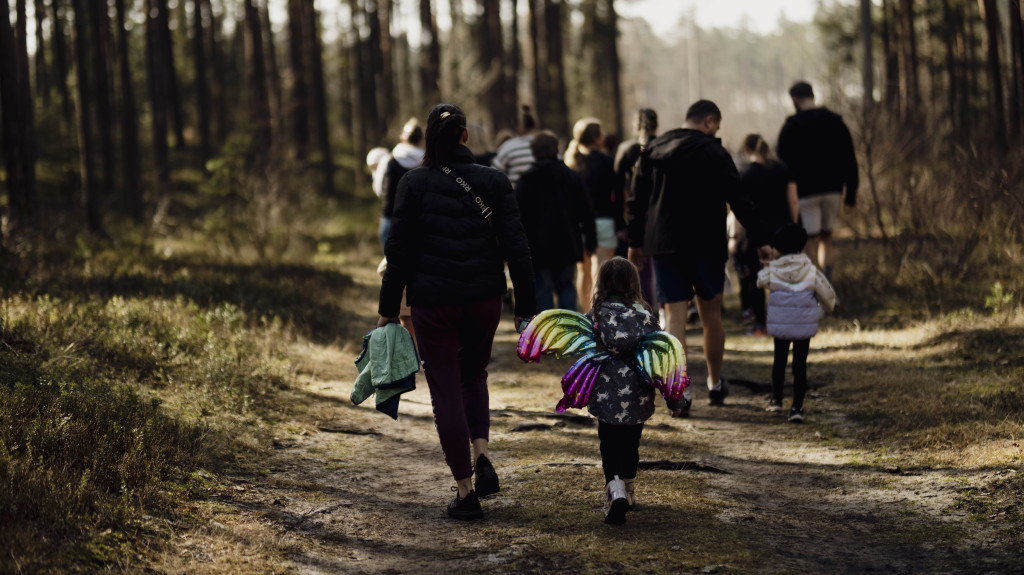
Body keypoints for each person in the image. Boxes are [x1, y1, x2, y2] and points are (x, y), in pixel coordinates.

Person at [378, 103, 537, 520]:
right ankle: (481, 454)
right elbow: (518, 248)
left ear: (430, 139)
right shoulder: (494, 181)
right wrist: (527, 309)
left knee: (445, 390)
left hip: (432, 303)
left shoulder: (412, 184)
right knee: (474, 375)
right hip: (484, 299)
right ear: (466, 136)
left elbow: (398, 253)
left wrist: (388, 310)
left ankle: (465, 493)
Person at [627, 100, 770, 416]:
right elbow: (740, 199)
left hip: (664, 245)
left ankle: (680, 391)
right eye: (716, 126)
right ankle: (716, 383)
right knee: (711, 316)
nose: (716, 132)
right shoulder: (715, 153)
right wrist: (761, 240)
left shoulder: (652, 150)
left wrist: (635, 242)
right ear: (709, 121)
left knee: (675, 318)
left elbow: (635, 200)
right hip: (706, 244)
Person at [776, 81, 859, 281]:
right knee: (827, 238)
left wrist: (785, 198)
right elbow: (849, 157)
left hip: (806, 193)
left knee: (810, 241)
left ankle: (817, 291)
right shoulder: (835, 121)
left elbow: (782, 166)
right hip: (833, 191)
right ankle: (828, 283)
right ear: (812, 96)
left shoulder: (790, 127)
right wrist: (851, 195)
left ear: (794, 99)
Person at [756, 223, 837, 422]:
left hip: (781, 326)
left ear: (779, 249)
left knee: (779, 362)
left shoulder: (773, 271)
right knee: (800, 366)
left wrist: (766, 263)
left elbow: (759, 281)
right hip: (803, 326)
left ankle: (776, 401)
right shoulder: (811, 270)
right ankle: (797, 408)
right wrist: (828, 309)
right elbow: (827, 294)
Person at [515, 131, 598, 312]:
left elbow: (518, 217)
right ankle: (569, 332)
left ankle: (547, 334)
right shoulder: (571, 177)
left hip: (537, 247)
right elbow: (587, 211)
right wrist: (590, 240)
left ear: (534, 152)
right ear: (556, 149)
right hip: (567, 243)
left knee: (543, 291)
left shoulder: (526, 180)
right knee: (566, 288)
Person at [733, 134, 799, 335]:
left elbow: (740, 208)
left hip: (755, 234)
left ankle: (760, 324)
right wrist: (793, 226)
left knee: (757, 279)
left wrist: (734, 237)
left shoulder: (745, 173)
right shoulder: (782, 168)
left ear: (746, 150)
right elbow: (793, 200)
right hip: (782, 231)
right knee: (785, 277)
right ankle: (787, 322)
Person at [566, 117, 623, 313]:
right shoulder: (607, 162)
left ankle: (585, 313)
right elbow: (616, 195)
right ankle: (600, 313)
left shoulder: (571, 162)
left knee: (583, 270)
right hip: (605, 220)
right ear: (597, 137)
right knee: (603, 270)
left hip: (579, 224)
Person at [614, 108, 659, 309]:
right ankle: (666, 312)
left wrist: (620, 222)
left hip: (635, 214)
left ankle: (644, 312)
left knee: (641, 268)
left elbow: (616, 188)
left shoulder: (626, 150)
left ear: (635, 126)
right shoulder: (664, 147)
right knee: (663, 269)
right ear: (656, 125)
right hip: (660, 213)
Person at [376, 118, 425, 249]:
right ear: (421, 140)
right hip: (419, 219)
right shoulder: (428, 163)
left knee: (391, 263)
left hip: (390, 216)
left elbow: (379, 188)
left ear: (402, 139)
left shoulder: (389, 160)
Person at [491, 105, 538, 186]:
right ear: (535, 124)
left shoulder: (508, 147)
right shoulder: (546, 145)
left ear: (518, 127)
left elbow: (493, 174)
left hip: (515, 195)